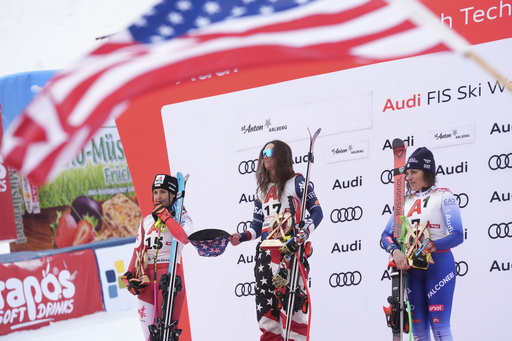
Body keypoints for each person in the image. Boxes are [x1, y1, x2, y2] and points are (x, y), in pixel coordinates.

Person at [230, 140, 323, 341]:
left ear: (281, 154)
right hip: (265, 257)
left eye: (269, 151)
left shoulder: (297, 182)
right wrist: (242, 236)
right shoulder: (261, 190)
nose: (265, 155)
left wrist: (302, 234)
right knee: (266, 312)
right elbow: (257, 226)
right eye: (262, 151)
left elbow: (317, 212)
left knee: (292, 306)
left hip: (288, 254)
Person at [381, 147, 464, 341]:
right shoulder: (404, 202)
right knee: (418, 332)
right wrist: (395, 252)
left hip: (439, 267)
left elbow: (458, 234)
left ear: (427, 172)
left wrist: (429, 247)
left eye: (413, 172)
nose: (408, 178)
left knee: (440, 327)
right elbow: (386, 235)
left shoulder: (444, 196)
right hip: (412, 270)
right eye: (407, 173)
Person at [122, 174, 192, 341]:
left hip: (170, 277)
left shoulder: (183, 217)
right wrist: (129, 276)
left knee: (167, 334)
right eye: (155, 192)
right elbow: (138, 250)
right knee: (150, 337)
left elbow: (183, 237)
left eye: (162, 192)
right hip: (146, 280)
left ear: (173, 195)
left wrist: (166, 217)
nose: (158, 197)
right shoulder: (146, 221)